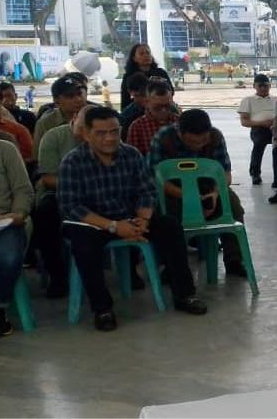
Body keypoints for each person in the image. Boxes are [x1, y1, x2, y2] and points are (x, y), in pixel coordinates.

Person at [58, 107, 208, 332]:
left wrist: (143, 220)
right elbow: (71, 207)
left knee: (170, 227)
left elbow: (147, 191)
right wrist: (113, 226)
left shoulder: (132, 154)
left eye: (114, 131)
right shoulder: (72, 162)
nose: (109, 138)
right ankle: (103, 309)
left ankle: (185, 295)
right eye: (100, 133)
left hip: (132, 217)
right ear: (86, 134)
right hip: (93, 223)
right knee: (84, 245)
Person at [147, 109, 247, 277]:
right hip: (173, 191)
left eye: (203, 140)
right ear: (180, 132)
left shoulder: (215, 137)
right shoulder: (163, 139)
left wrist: (214, 195)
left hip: (208, 188)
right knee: (165, 218)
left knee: (233, 205)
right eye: (193, 142)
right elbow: (156, 179)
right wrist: (190, 198)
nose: (199, 145)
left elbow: (225, 175)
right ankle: (170, 264)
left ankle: (234, 260)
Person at [34, 105, 94, 298]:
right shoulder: (54, 137)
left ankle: (130, 269)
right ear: (75, 118)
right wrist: (77, 185)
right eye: (84, 127)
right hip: (58, 193)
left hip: (96, 194)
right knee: (46, 212)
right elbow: (47, 178)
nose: (88, 134)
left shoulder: (104, 137)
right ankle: (57, 275)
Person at [0, 137, 34, 337]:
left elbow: (23, 189)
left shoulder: (4, 150)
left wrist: (18, 213)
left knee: (6, 256)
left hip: (4, 220)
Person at [239, 74, 277, 185]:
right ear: (254, 86)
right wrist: (262, 123)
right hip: (259, 129)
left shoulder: (276, 100)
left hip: (276, 128)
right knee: (259, 144)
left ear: (270, 86)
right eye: (260, 85)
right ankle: (255, 173)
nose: (263, 88)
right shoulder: (248, 100)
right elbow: (244, 121)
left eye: (266, 85)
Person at [33, 73, 90, 147]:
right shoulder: (46, 124)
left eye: (79, 94)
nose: (78, 99)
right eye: (70, 96)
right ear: (56, 101)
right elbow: (38, 156)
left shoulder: (97, 116)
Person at [125, 79, 177, 154]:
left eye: (167, 106)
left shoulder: (180, 122)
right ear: (147, 102)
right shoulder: (137, 127)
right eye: (157, 107)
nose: (163, 110)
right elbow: (133, 158)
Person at [119, 43, 171, 110]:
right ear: (134, 58)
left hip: (161, 107)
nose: (146, 55)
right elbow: (125, 98)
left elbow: (170, 90)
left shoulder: (161, 73)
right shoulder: (129, 76)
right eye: (142, 54)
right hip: (137, 110)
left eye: (148, 53)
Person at [118, 73, 150, 139]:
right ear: (130, 92)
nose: (145, 99)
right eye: (141, 95)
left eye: (147, 95)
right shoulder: (126, 115)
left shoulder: (159, 107)